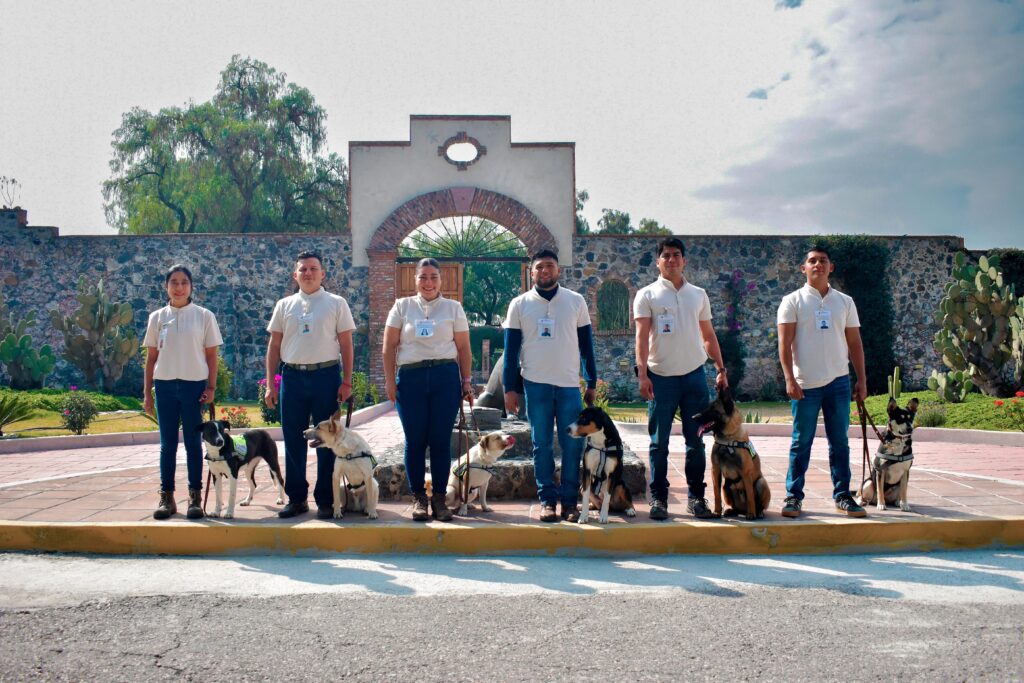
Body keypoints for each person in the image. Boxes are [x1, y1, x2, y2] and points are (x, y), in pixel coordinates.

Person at [634, 237, 727, 520]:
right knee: (658, 443)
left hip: (694, 378)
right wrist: (642, 374)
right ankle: (659, 500)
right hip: (661, 378)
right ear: (658, 262)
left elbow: (708, 336)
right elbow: (641, 339)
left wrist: (721, 369)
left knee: (695, 441)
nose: (672, 260)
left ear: (684, 261)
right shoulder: (647, 295)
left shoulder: (698, 294)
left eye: (676, 255)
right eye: (666, 255)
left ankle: (696, 499)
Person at [503, 249, 597, 523]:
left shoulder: (575, 301)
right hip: (536, 386)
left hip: (568, 385)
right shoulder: (519, 305)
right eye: (539, 267)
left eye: (550, 266)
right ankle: (547, 500)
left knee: (572, 445)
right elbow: (510, 352)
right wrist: (510, 389)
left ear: (558, 271)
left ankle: (569, 502)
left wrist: (591, 380)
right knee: (541, 444)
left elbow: (586, 347)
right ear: (531, 273)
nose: (545, 271)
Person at [777, 245, 868, 518]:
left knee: (839, 441)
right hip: (805, 385)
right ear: (803, 268)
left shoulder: (845, 302)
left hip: (838, 383)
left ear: (831, 267)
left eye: (823, 261)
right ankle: (793, 496)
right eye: (812, 261)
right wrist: (789, 379)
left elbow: (855, 343)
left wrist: (861, 379)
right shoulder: (792, 301)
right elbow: (784, 344)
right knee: (800, 442)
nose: (818, 265)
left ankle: (843, 495)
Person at [264, 251, 355, 519]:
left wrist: (347, 381)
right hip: (292, 377)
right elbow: (274, 345)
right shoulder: (284, 305)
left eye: (313, 269)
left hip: (326, 376)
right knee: (293, 439)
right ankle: (296, 498)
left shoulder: (336, 303)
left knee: (327, 440)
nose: (308, 273)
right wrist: (271, 384)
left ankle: (326, 499)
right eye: (302, 269)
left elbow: (347, 344)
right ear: (295, 275)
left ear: (322, 273)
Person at [382, 258, 474, 522]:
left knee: (440, 440)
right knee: (415, 440)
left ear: (441, 280)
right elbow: (389, 348)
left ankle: (440, 499)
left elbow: (464, 348)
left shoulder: (453, 308)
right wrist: (390, 382)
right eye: (423, 277)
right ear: (415, 280)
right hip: (410, 378)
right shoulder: (402, 306)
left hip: (445, 377)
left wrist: (466, 381)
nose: (428, 282)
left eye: (433, 277)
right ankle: (419, 498)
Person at [143, 264, 223, 520]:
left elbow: (212, 355)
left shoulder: (203, 316)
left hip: (193, 387)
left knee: (192, 444)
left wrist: (211, 386)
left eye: (184, 282)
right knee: (167, 445)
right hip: (164, 387)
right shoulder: (157, 317)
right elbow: (151, 358)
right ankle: (167, 498)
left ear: (191, 287)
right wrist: (147, 393)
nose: (179, 287)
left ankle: (194, 498)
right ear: (166, 286)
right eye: (174, 282)